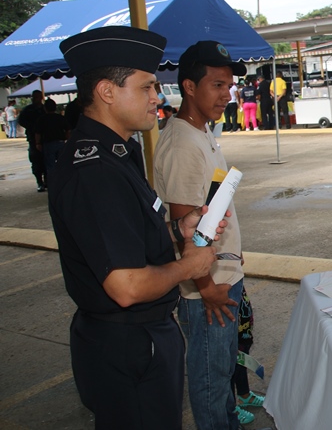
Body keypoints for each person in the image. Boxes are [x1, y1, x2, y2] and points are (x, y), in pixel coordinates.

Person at [49, 26, 221, 429]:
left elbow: (128, 234)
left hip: (137, 338)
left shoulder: (116, 153)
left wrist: (179, 229)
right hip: (127, 345)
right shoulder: (95, 172)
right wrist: (190, 266)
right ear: (107, 92)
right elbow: (125, 286)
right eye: (146, 87)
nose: (156, 97)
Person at [154, 40, 248, 429]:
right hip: (206, 290)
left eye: (229, 86)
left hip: (221, 276)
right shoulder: (183, 145)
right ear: (189, 87)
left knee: (223, 372)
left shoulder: (201, 131)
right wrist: (207, 288)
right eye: (217, 85)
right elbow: (185, 230)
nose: (227, 95)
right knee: (210, 381)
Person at [231, 285, 264, 423]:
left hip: (236, 297)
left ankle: (244, 394)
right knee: (225, 360)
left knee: (242, 350)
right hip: (219, 298)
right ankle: (229, 408)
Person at [17, 89, 47, 192]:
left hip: (46, 138)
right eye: (34, 97)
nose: (35, 99)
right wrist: (32, 127)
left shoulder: (44, 109)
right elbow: (21, 121)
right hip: (33, 138)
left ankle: (47, 180)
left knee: (46, 160)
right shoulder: (28, 110)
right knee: (36, 161)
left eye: (38, 97)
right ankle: (39, 182)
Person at [34, 98, 71, 174]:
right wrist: (68, 139)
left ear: (45, 108)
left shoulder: (42, 119)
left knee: (50, 166)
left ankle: (53, 179)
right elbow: (68, 130)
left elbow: (38, 133)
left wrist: (38, 143)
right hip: (61, 142)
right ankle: (63, 178)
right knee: (63, 164)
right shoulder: (60, 118)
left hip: (48, 144)